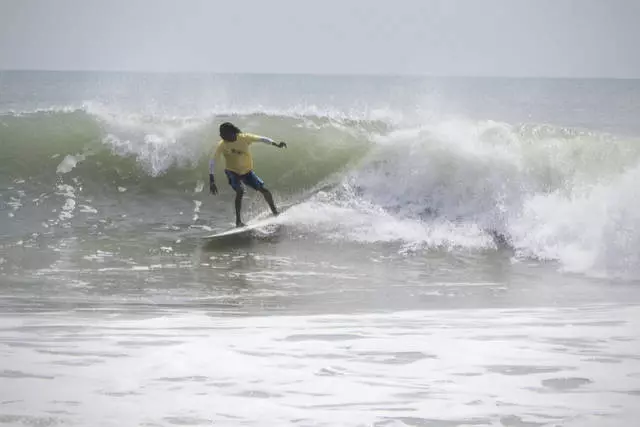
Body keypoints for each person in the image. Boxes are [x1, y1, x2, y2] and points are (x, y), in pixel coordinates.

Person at [209, 122, 287, 227]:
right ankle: (238, 221)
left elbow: (262, 139)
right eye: (220, 133)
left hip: (247, 172)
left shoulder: (244, 138)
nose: (221, 135)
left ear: (231, 132)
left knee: (264, 190)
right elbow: (213, 160)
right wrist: (212, 179)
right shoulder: (222, 145)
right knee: (240, 191)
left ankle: (275, 212)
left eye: (223, 133)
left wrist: (276, 144)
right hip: (232, 171)